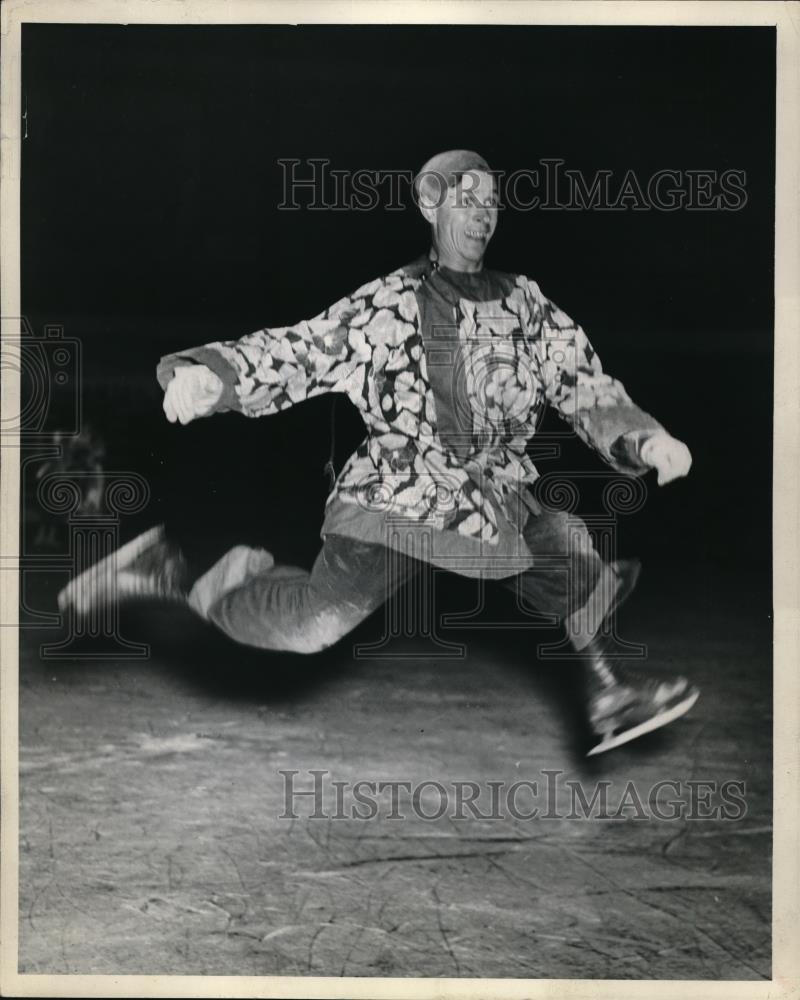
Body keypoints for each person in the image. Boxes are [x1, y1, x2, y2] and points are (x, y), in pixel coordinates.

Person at [59, 150, 698, 755]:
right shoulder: (390, 302)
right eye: (467, 200)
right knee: (311, 627)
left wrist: (642, 436)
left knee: (573, 557)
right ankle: (171, 574)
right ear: (430, 206)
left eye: (491, 201)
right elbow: (302, 350)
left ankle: (611, 696)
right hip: (401, 497)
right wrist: (212, 377)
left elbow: (580, 381)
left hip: (496, 499)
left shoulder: (525, 302)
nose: (482, 214)